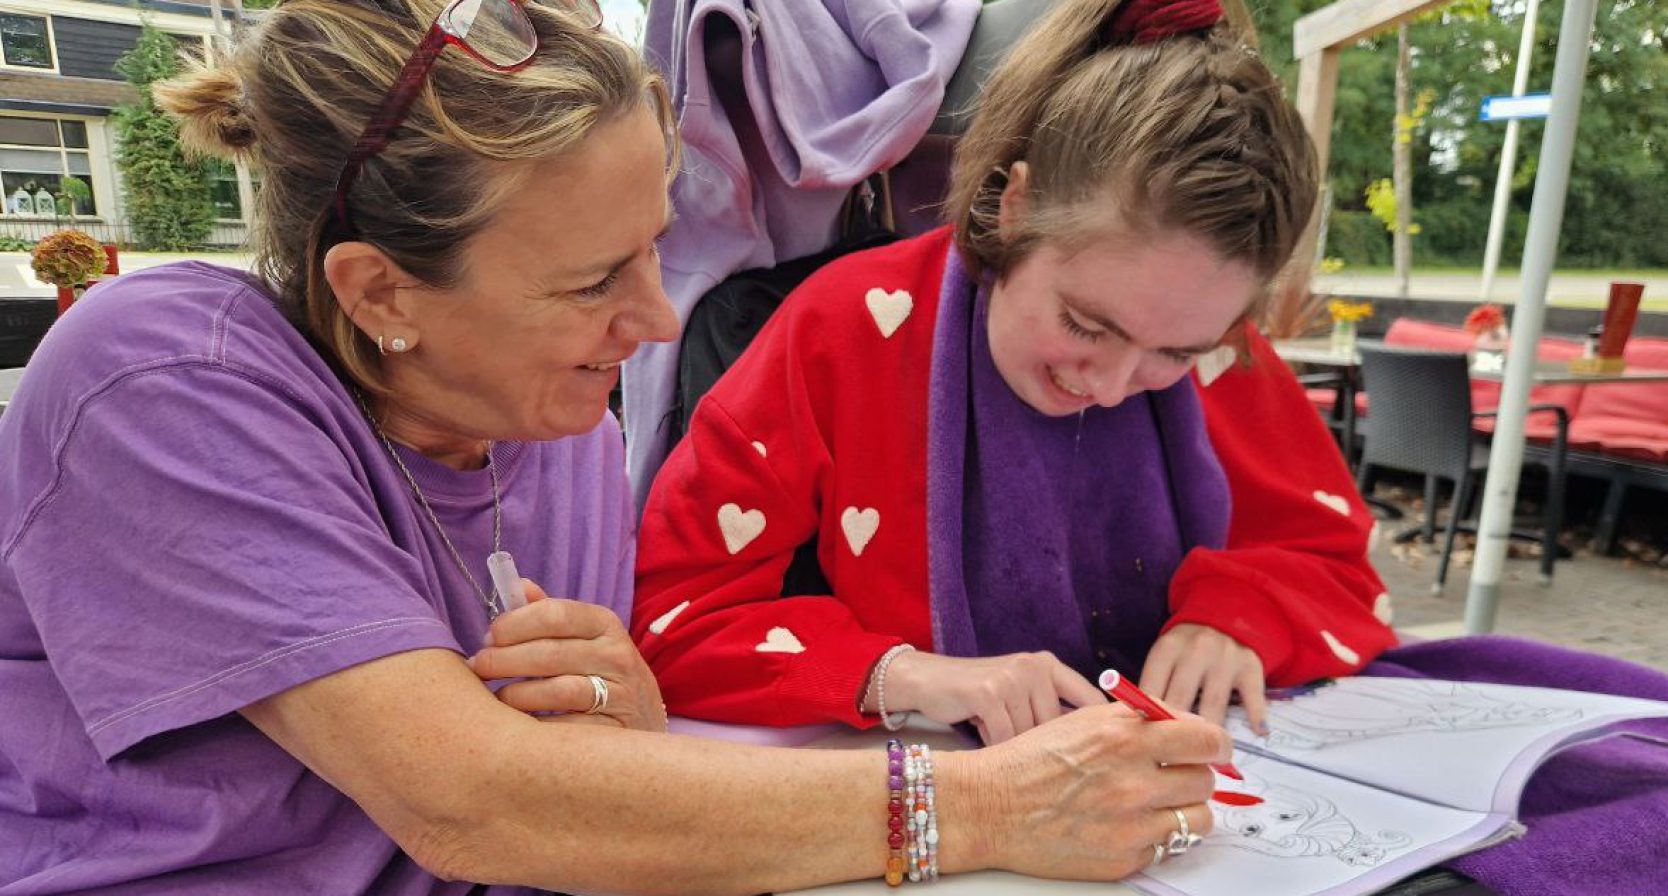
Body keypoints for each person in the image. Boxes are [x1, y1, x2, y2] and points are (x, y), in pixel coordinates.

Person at [0, 0, 1233, 892]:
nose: (653, 324)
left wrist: (629, 712)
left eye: (655, 246)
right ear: (379, 292)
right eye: (596, 280)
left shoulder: (559, 412)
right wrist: (983, 804)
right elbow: (469, 802)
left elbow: (571, 780)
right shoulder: (164, 376)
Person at [632, 0, 1398, 745]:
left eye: (1175, 355)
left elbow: (1334, 565)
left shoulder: (1223, 347)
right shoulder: (843, 328)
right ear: (1016, 206)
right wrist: (904, 676)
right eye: (1086, 325)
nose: (1108, 384)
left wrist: (1235, 619)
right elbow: (673, 614)